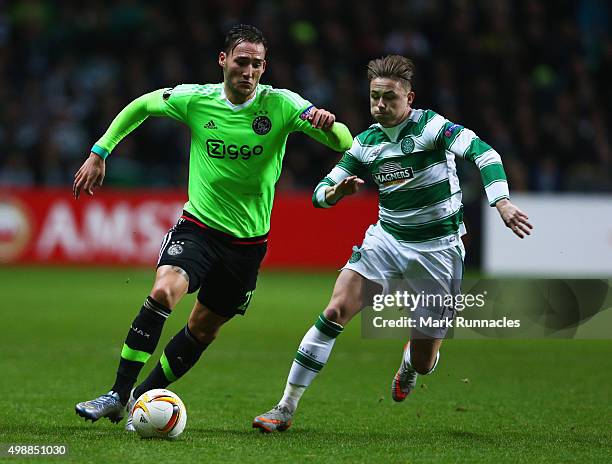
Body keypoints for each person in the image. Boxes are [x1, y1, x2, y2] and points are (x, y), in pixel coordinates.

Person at [73, 24, 353, 430]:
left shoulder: (283, 105)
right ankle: (117, 394)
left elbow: (343, 140)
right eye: (241, 61)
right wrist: (100, 152)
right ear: (223, 61)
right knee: (164, 289)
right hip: (198, 227)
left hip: (248, 244)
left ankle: (139, 400)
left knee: (203, 328)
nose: (249, 71)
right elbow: (141, 105)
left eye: (257, 64)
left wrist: (328, 124)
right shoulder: (196, 99)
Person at [252, 55, 533, 432]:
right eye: (374, 98)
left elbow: (485, 153)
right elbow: (320, 192)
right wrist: (335, 193)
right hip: (386, 241)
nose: (380, 106)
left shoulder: (432, 127)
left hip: (438, 251)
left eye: (389, 98)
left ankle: (409, 364)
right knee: (335, 310)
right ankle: (285, 407)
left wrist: (501, 200)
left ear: (409, 98)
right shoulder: (365, 143)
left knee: (424, 360)